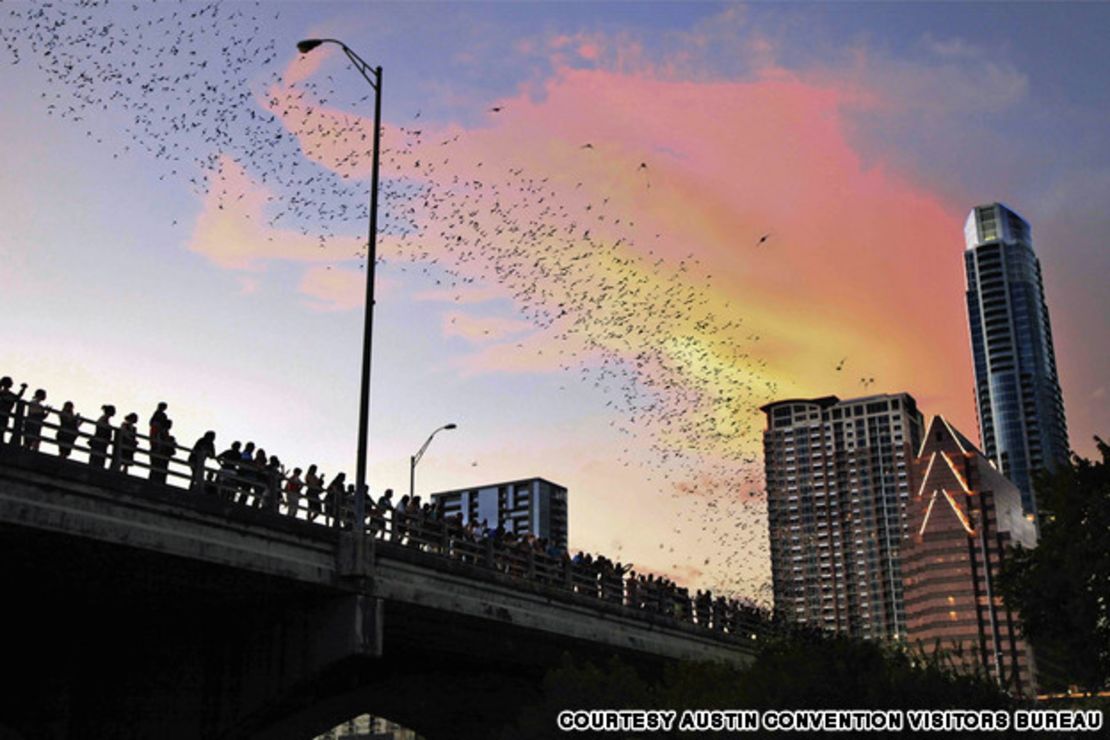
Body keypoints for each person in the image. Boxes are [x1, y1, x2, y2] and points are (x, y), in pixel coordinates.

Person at [0, 377, 27, 444]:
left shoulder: (6, 393)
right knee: (2, 429)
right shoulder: (6, 394)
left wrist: (23, 389)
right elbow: (17, 397)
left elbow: (17, 397)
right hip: (4, 415)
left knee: (2, 430)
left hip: (5, 415)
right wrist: (23, 389)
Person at [149, 418, 176, 485]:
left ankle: (157, 482)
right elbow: (159, 441)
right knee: (156, 468)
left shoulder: (164, 432)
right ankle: (154, 482)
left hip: (162, 452)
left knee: (159, 469)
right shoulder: (161, 432)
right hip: (159, 451)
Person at [88, 404, 115, 469]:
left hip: (101, 442)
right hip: (100, 442)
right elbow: (101, 428)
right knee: (97, 458)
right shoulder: (103, 419)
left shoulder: (104, 419)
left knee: (98, 458)